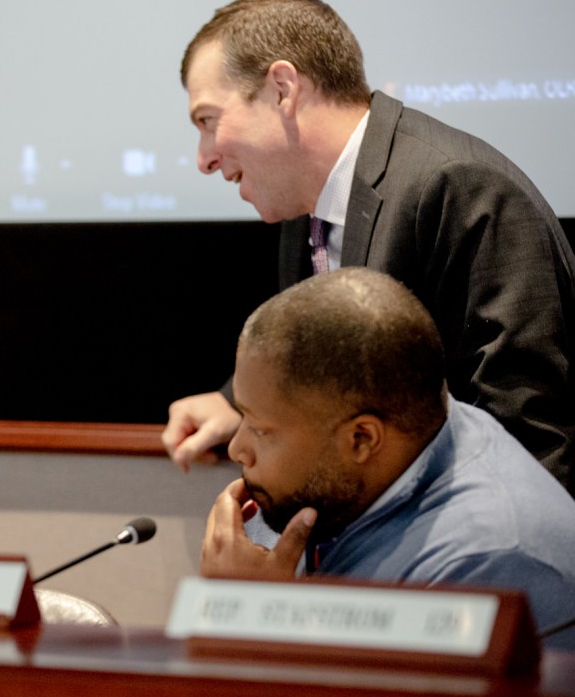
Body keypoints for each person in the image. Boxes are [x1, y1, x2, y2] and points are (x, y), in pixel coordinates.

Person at [163, 0, 575, 496]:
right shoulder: (305, 201)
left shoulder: (459, 188)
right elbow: (339, 360)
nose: (202, 158)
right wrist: (234, 403)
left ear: (282, 90)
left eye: (207, 120)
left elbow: (526, 437)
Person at [199, 267, 575, 647]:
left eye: (261, 430)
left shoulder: (491, 562)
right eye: (241, 416)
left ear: (361, 439)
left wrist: (249, 614)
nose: (237, 449)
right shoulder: (325, 478)